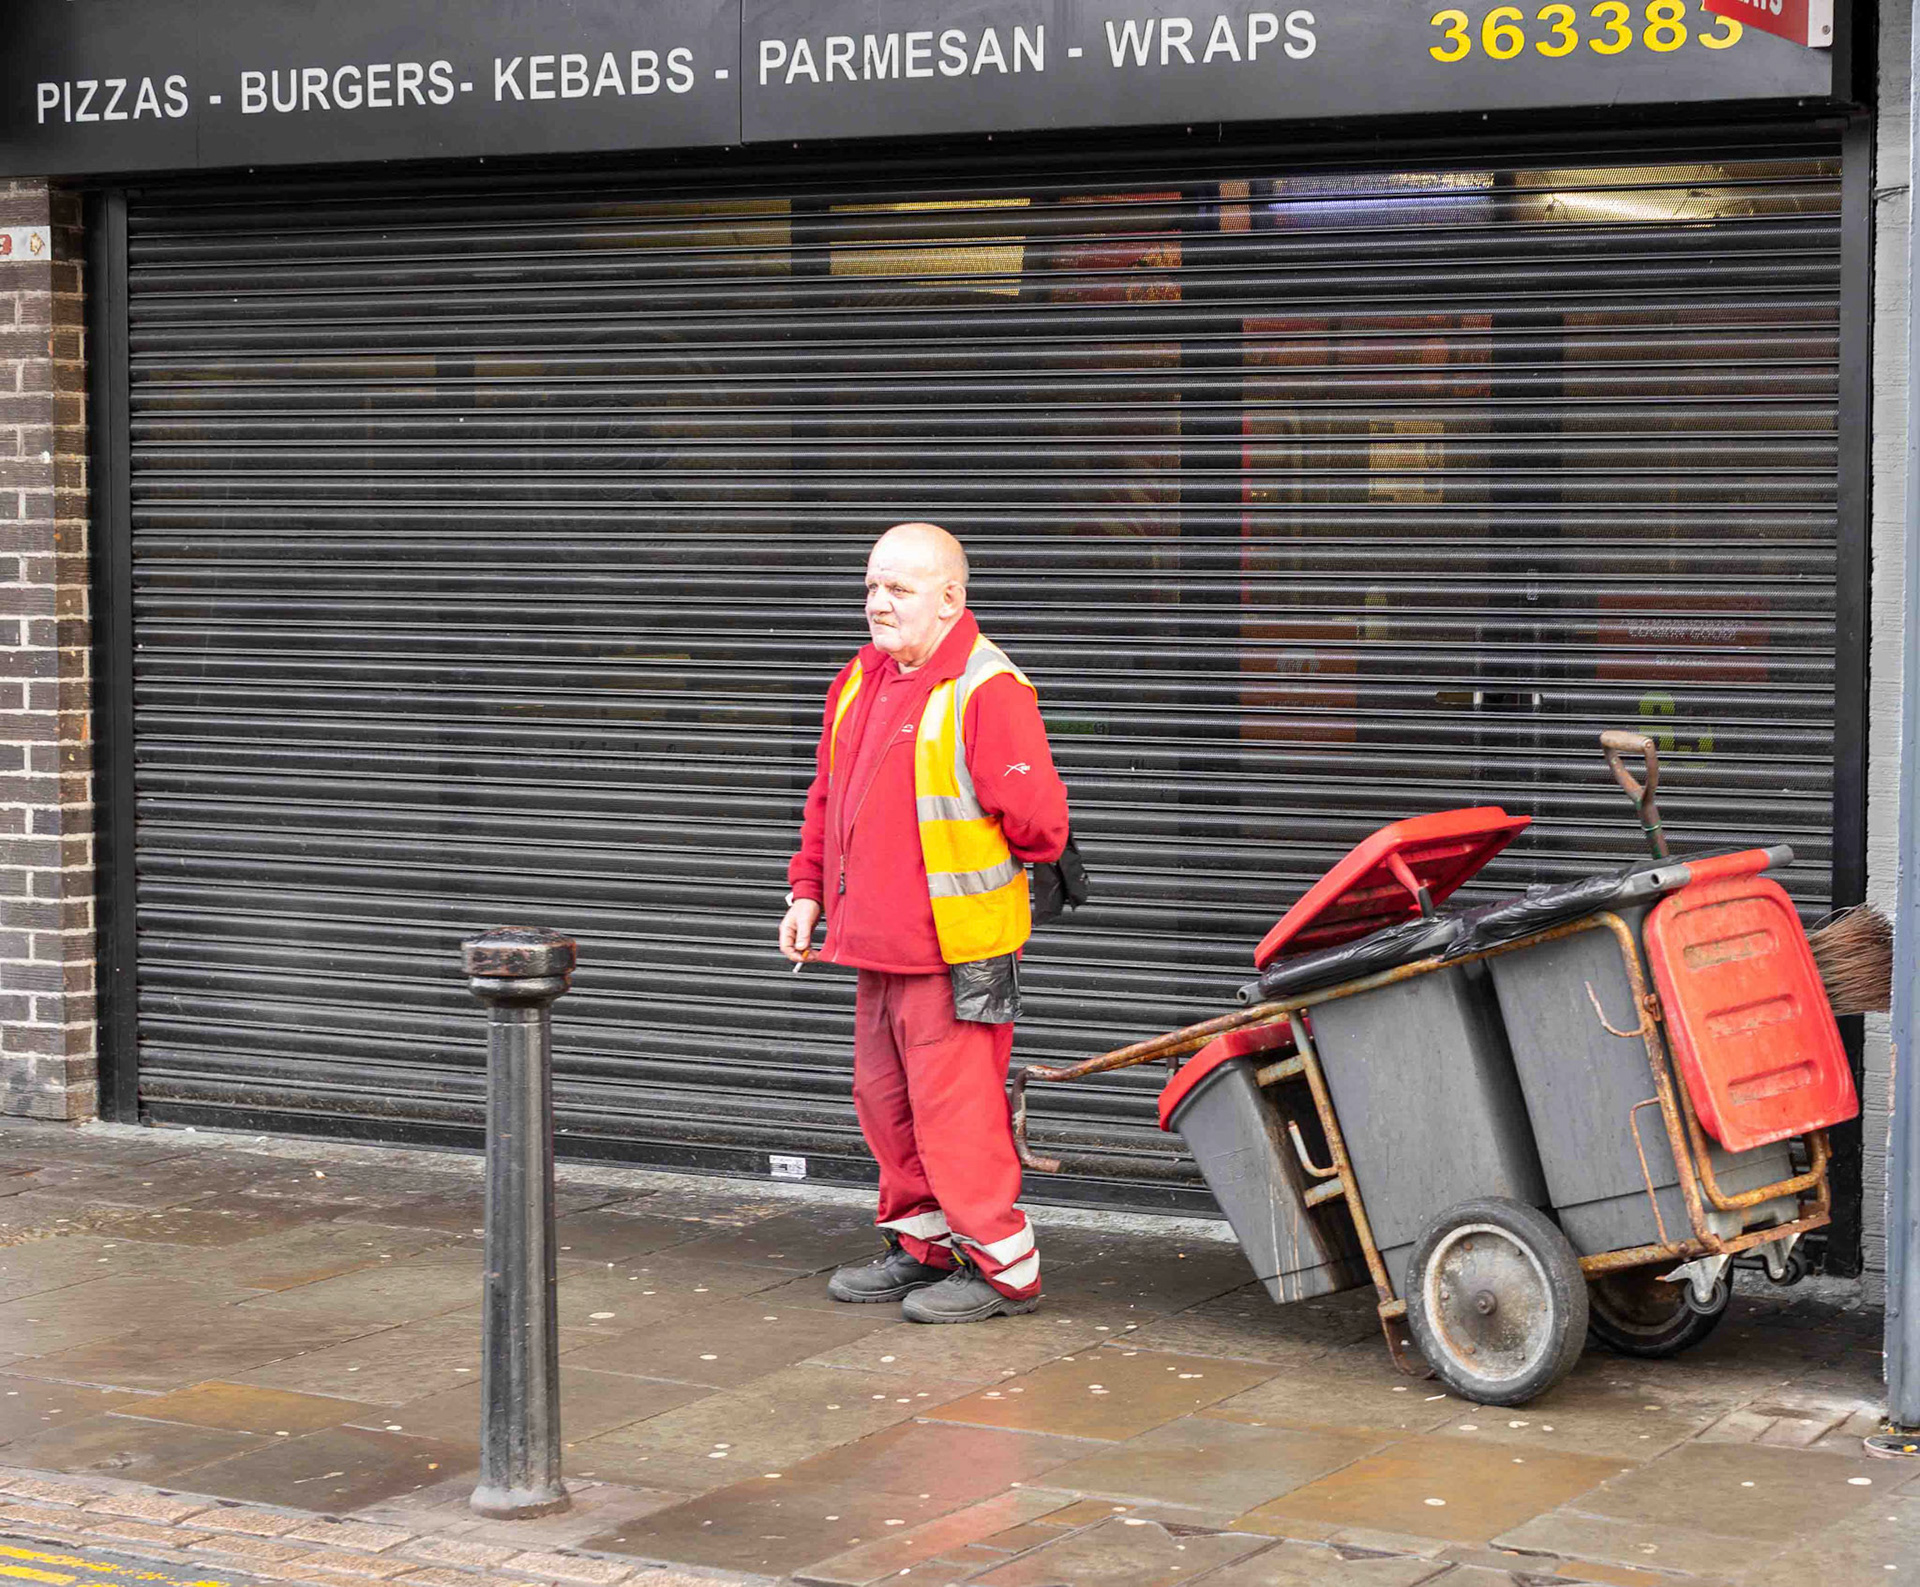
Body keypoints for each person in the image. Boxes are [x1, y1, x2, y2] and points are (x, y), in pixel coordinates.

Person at [779, 522, 1070, 1324]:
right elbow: (826, 798)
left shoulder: (987, 688)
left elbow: (1041, 824)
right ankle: (923, 1247)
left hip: (959, 950)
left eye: (899, 589)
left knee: (958, 1114)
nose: (878, 603)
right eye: (872, 586)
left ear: (950, 598)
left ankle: (1003, 1269)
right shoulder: (859, 680)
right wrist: (807, 891)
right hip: (876, 945)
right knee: (885, 1101)